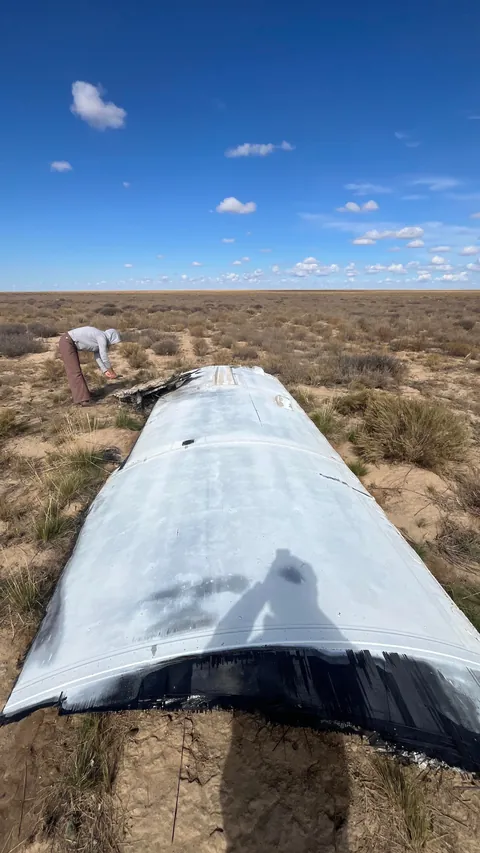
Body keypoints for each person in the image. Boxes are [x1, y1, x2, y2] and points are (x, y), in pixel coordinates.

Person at [58, 326, 121, 406]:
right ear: (111, 337)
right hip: (67, 341)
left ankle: (83, 395)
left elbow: (97, 356)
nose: (112, 344)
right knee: (74, 371)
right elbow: (104, 356)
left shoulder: (101, 337)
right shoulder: (102, 337)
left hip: (68, 342)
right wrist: (111, 370)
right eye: (114, 342)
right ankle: (84, 400)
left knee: (75, 371)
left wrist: (105, 371)